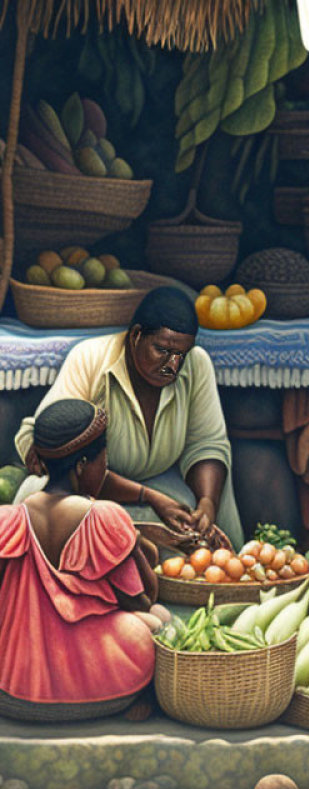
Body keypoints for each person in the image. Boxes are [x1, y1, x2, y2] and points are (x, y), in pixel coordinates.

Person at [14, 287, 242, 546]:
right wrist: (149, 497)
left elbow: (207, 443)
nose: (173, 366)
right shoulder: (91, 357)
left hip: (162, 482)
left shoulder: (197, 363)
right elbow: (53, 441)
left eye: (181, 355)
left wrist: (207, 503)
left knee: (199, 543)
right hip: (89, 487)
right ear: (135, 336)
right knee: (38, 491)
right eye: (162, 350)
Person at [0, 399, 156, 721]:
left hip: (11, 693)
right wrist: (136, 545)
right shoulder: (104, 518)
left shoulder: (9, 520)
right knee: (158, 620)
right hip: (102, 693)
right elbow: (141, 601)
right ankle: (143, 700)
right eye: (104, 459)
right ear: (83, 464)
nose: (106, 467)